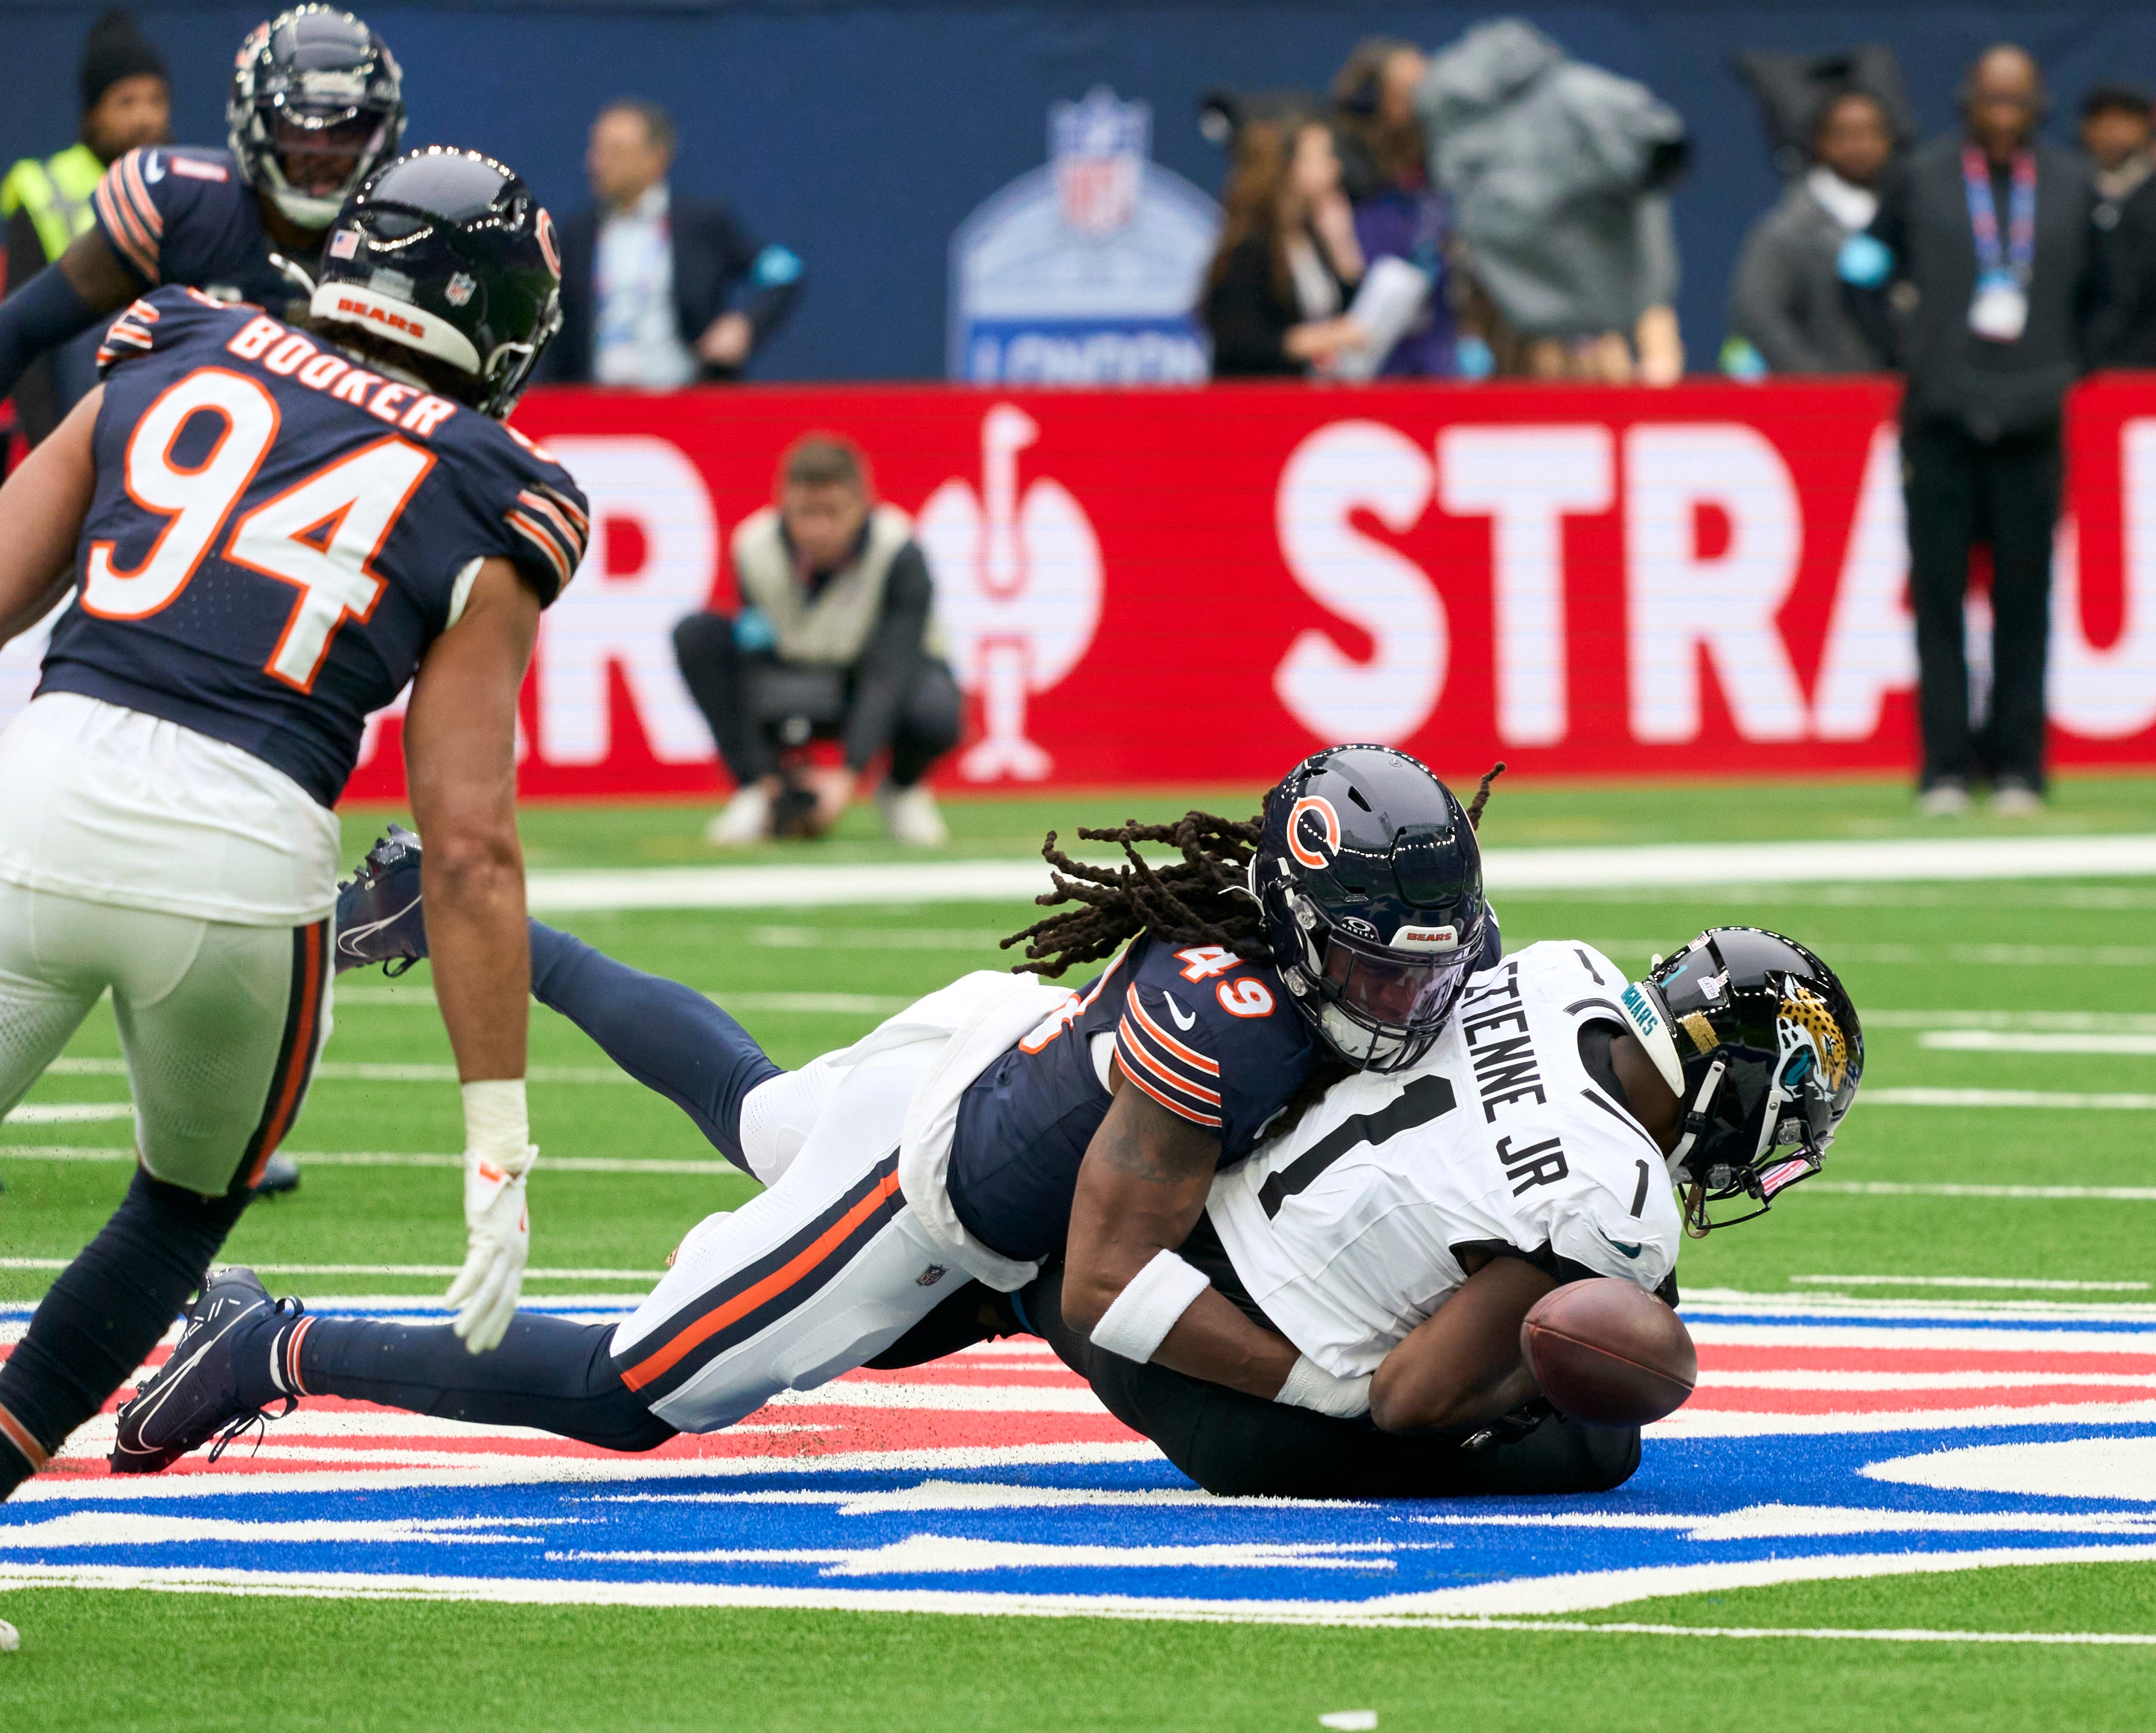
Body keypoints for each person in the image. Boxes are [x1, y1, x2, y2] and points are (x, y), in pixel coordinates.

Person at [110, 749, 1505, 1475]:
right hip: (934, 1192)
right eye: (1377, 959)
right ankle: (269, 1346)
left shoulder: (1421, 960)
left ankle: (492, 929)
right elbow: (1103, 1278)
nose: (1408, 989)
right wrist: (1325, 1383)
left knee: (757, 1101)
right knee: (633, 1396)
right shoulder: (1228, 1021)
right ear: (1296, 921)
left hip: (996, 1064)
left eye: (1428, 954)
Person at [0, 147, 587, 1501]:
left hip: (45, 783)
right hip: (238, 856)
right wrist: (497, 1142)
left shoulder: (177, 334)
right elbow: (467, 845)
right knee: (182, 1207)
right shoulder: (497, 484)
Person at [1030, 925, 1861, 1496]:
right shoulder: (1614, 1203)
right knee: (1602, 1441)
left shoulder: (1562, 970)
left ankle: (1002, 1290)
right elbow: (1406, 1399)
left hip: (1171, 1238)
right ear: (1738, 1088)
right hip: (1214, 1387)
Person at [1844, 45, 2103, 816]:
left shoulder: (2068, 185)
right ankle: (1946, 769)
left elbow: (2113, 289)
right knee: (1939, 596)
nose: (2002, 113)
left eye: (2015, 101)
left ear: (2036, 108)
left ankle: (2020, 767)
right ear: (1966, 102)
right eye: (1990, 98)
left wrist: (2067, 363)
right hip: (1941, 418)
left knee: (2027, 597)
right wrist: (1907, 355)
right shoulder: (1920, 177)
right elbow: (1859, 269)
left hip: (2032, 417)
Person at [0, 8, 405, 434]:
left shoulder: (406, 241)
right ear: (255, 122)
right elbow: (19, 329)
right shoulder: (180, 206)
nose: (321, 151)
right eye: (299, 126)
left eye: (345, 130)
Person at [672, 435, 960, 847]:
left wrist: (846, 777)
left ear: (863, 505)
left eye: (832, 513)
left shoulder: (898, 549)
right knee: (697, 635)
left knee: (936, 707)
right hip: (792, 678)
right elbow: (756, 653)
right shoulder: (754, 546)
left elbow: (890, 669)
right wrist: (770, 777)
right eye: (805, 512)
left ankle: (901, 787)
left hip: (869, 679)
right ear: (783, 504)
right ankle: (754, 789)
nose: (817, 529)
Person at [1413, 19, 1688, 385]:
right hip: (1521, 364)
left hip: (1605, 358)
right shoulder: (1478, 203)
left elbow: (1644, 279)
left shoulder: (1588, 122)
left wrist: (1658, 355)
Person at [1, 8, 171, 448]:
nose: (145, 118)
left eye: (156, 100)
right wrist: (51, 447)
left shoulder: (183, 186)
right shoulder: (42, 190)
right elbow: (27, 346)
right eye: (126, 102)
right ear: (93, 113)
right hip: (72, 427)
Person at [542, 100, 803, 387]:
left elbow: (785, 270)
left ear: (656, 157)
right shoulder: (576, 233)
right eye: (597, 150)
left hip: (687, 404)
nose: (597, 163)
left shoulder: (701, 224)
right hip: (597, 410)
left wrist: (747, 325)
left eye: (616, 151)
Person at [1726, 89, 1895, 374]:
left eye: (1871, 134)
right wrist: (1815, 382)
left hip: (1900, 399)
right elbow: (1759, 316)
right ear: (1821, 143)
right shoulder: (1787, 230)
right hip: (1825, 405)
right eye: (1846, 135)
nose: (1861, 146)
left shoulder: (1905, 218)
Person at [1200, 115, 1367, 377]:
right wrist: (1315, 339)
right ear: (1288, 167)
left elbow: (1351, 323)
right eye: (1323, 157)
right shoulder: (1250, 248)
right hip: (1258, 406)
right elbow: (1239, 343)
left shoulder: (1312, 239)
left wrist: (1344, 247)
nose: (1335, 167)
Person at [1328, 37, 1453, 377]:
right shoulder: (1348, 180)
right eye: (1412, 90)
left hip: (1437, 354)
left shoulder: (1441, 169)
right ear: (1380, 103)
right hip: (1373, 363)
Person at [2082, 86, 2156, 366]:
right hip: (2079, 358)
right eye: (2103, 121)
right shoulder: (2070, 194)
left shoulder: (2149, 198)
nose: (2113, 133)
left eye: (2125, 122)